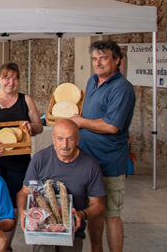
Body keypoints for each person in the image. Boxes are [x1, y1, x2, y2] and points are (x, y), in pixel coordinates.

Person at [69, 40, 135, 252]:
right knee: (94, 210)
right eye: (95, 59)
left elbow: (112, 126)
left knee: (111, 215)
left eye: (103, 58)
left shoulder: (122, 88)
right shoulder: (92, 81)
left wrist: (80, 122)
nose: (98, 63)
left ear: (117, 60)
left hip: (109, 162)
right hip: (88, 160)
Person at [16, 119, 106, 252]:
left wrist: (81, 214)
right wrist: (23, 211)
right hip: (43, 228)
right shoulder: (40, 159)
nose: (65, 144)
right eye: (60, 139)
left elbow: (98, 205)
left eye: (70, 139)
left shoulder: (90, 165)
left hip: (72, 229)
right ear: (53, 139)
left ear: (78, 139)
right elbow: (24, 193)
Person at [0, 62, 42, 250]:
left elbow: (39, 125)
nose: (11, 82)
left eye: (15, 78)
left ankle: (6, 245)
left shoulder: (26, 100)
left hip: (20, 160)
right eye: (6, 77)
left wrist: (32, 128)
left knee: (15, 204)